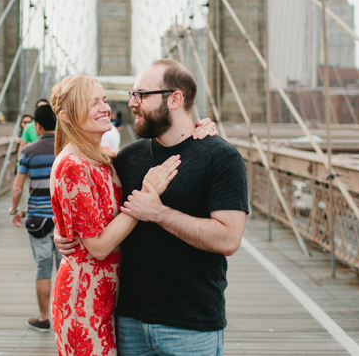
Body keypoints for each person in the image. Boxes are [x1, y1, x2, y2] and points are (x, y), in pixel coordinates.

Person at [57, 59, 248, 355]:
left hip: (191, 326)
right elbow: (86, 200)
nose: (132, 104)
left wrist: (157, 212)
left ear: (175, 98)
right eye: (133, 95)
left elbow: (228, 239)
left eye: (142, 95)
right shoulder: (125, 158)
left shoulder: (221, 157)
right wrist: (64, 232)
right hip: (128, 321)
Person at [49, 76, 182, 356]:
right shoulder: (73, 164)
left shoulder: (101, 156)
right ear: (66, 116)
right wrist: (145, 199)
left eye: (105, 100)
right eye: (92, 102)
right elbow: (97, 247)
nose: (105, 108)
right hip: (83, 300)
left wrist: (198, 128)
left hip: (107, 297)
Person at [10, 104, 60, 332]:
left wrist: (14, 210)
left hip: (37, 218)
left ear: (37, 126)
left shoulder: (27, 151)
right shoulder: (66, 148)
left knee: (43, 268)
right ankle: (64, 318)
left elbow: (18, 188)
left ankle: (43, 318)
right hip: (62, 220)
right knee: (64, 269)